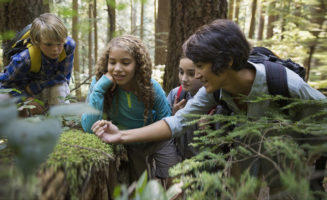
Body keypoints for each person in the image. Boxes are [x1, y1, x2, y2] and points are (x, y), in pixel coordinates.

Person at [91, 19, 326, 195]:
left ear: (228, 62)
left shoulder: (284, 83)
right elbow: (178, 121)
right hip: (248, 146)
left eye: (201, 66)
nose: (197, 75)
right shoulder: (214, 89)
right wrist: (121, 135)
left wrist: (308, 151)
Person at [81, 35, 179, 187]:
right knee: (141, 185)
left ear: (138, 65)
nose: (117, 69)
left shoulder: (151, 87)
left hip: (158, 140)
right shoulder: (100, 84)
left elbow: (166, 121)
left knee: (174, 179)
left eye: (125, 63)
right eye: (112, 62)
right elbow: (88, 127)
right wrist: (100, 89)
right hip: (130, 142)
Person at [0, 13, 75, 116]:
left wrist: (34, 87)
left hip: (46, 86)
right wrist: (27, 98)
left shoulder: (68, 46)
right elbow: (5, 85)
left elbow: (63, 77)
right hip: (22, 88)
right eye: (48, 44)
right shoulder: (24, 59)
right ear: (36, 41)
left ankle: (59, 120)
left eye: (59, 43)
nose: (55, 49)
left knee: (59, 89)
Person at [166, 57, 203, 160]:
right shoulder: (176, 95)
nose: (184, 79)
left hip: (207, 164)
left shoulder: (215, 99)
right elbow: (165, 129)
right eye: (181, 72)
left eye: (191, 74)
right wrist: (174, 115)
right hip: (179, 160)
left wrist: (208, 127)